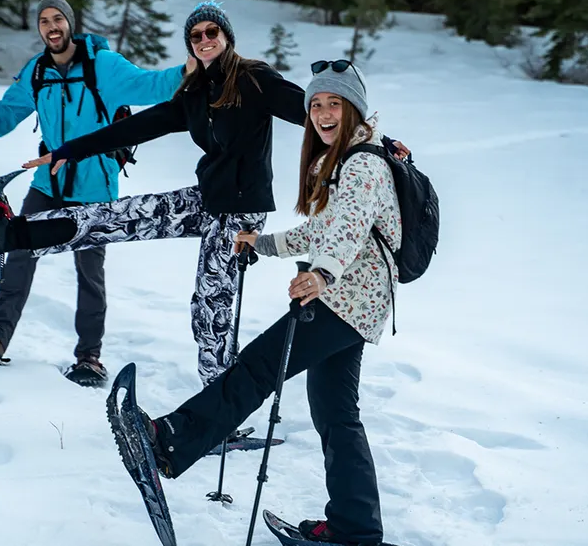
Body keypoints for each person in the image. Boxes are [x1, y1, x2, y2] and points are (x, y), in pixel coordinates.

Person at [0, 1, 409, 387]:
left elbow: (311, 109)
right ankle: (17, 233)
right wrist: (70, 151)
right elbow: (138, 127)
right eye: (195, 36)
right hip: (206, 199)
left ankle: (221, 409)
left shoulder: (253, 79)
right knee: (121, 215)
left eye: (211, 31)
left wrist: (378, 142)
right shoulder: (196, 93)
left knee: (210, 310)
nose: (203, 39)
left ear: (226, 36)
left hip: (240, 214)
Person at [129, 59, 399, 546]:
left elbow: (350, 232)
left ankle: (170, 440)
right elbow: (326, 229)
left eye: (334, 102)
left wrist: (321, 273)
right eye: (315, 103)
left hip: (344, 298)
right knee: (336, 414)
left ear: (354, 109)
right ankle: (355, 530)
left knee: (256, 368)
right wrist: (266, 243)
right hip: (358, 303)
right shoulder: (346, 160)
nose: (322, 112)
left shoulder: (361, 166)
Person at [0, 0, 192, 386]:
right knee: (19, 253)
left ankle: (89, 357)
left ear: (70, 24)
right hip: (47, 184)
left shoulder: (102, 66)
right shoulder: (36, 72)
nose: (51, 26)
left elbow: (150, 84)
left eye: (58, 19)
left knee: (90, 272)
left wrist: (190, 68)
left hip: (95, 187)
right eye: (44, 21)